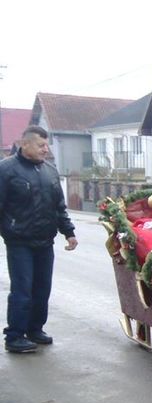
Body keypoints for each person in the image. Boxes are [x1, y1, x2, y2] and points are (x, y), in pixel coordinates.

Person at [0, 125, 78, 353]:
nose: (46, 149)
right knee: (22, 289)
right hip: (19, 241)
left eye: (47, 145)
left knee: (42, 288)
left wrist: (69, 232)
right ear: (25, 144)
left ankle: (35, 329)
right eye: (41, 145)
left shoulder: (50, 171)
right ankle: (15, 336)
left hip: (45, 240)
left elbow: (59, 207)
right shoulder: (6, 170)